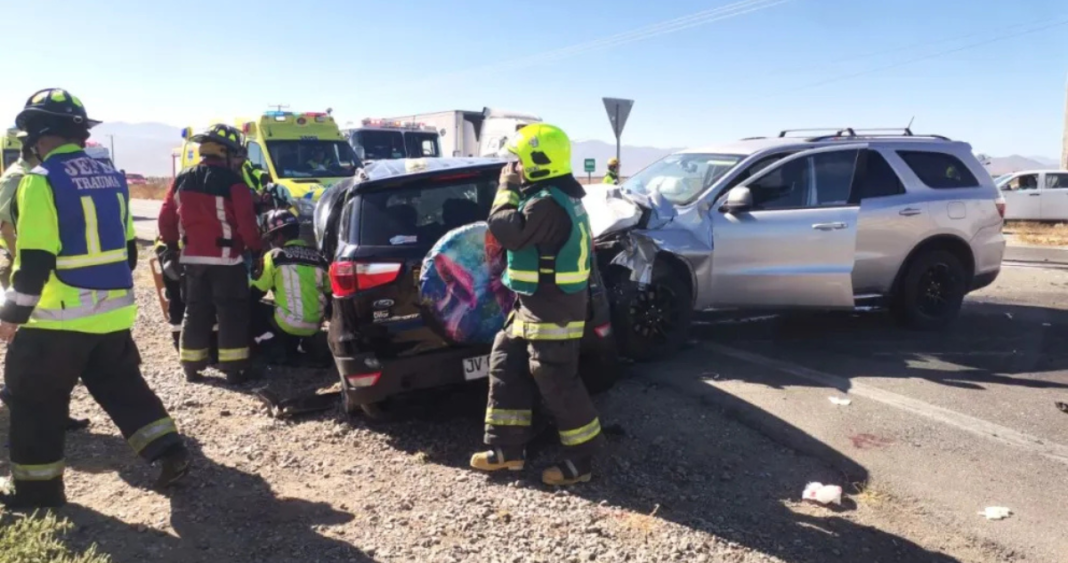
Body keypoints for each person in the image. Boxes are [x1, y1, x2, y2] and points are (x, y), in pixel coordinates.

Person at [0, 88, 190, 509]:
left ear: (37, 134)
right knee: (123, 387)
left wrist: (11, 316)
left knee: (34, 402)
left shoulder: (40, 181)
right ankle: (169, 450)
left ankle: (37, 494)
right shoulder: (112, 177)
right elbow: (128, 251)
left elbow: (33, 261)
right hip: (111, 316)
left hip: (55, 321)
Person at [470, 124, 605, 486]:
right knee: (506, 359)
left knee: (555, 377)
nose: (514, 167)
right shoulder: (550, 194)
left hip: (554, 310)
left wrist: (506, 188)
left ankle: (581, 460)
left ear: (539, 162)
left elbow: (507, 231)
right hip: (533, 304)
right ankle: (507, 451)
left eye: (519, 161)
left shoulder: (547, 203)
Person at [158, 123, 262, 384]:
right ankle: (234, 367)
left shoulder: (182, 178)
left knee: (195, 310)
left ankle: (191, 365)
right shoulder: (233, 182)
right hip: (227, 260)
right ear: (225, 153)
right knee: (231, 311)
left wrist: (172, 247)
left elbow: (165, 217)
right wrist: (257, 249)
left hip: (191, 258)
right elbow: (246, 223)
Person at [250, 209, 330, 366]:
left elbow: (256, 290)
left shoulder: (275, 256)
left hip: (287, 325)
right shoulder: (318, 258)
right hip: (314, 326)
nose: (272, 242)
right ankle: (306, 343)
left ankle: (272, 347)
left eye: (272, 237)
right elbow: (329, 292)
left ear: (279, 236)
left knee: (251, 306)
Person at [0, 143, 38, 288]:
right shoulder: (17, 177)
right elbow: (7, 231)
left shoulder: (27, 174)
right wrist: (23, 266)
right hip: (14, 257)